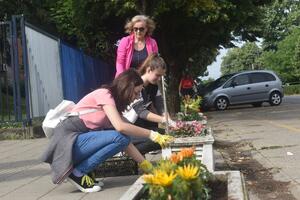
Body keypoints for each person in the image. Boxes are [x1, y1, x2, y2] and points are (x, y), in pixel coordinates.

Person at [41, 69, 173, 193]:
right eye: (136, 92)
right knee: (120, 137)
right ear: (127, 88)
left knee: (122, 138)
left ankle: (82, 171)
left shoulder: (113, 104)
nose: (137, 97)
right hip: (67, 144)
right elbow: (121, 127)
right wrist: (152, 134)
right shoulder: (105, 94)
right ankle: (78, 173)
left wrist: (146, 166)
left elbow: (125, 136)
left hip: (75, 142)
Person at [123, 53, 175, 154]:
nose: (159, 79)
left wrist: (169, 120)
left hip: (139, 126)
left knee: (167, 134)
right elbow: (141, 112)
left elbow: (161, 106)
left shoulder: (154, 86)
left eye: (161, 76)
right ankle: (127, 151)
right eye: (158, 75)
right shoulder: (135, 84)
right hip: (128, 128)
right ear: (149, 70)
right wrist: (164, 120)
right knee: (161, 139)